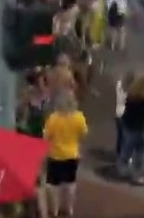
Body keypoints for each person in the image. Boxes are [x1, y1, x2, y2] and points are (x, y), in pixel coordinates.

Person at [43, 89, 88, 217]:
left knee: (53, 185)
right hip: (72, 155)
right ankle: (69, 208)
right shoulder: (79, 117)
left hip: (55, 156)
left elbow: (46, 137)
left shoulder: (53, 119)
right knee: (70, 183)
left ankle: (55, 209)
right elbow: (83, 135)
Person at [117, 75, 144, 184]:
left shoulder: (131, 95)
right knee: (139, 152)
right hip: (138, 128)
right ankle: (136, 175)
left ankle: (122, 170)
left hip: (127, 125)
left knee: (126, 149)